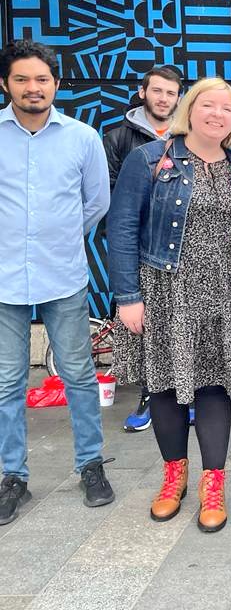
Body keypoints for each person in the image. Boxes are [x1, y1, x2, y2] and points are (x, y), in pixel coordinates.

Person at [108, 77, 231, 532]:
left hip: (220, 292)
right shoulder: (150, 159)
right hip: (163, 289)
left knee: (214, 387)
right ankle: (174, 474)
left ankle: (213, 484)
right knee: (165, 386)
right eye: (208, 105)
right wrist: (127, 298)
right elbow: (121, 229)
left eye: (227, 109)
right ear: (189, 109)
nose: (217, 114)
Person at [0, 39, 114, 526]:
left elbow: (97, 203)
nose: (33, 88)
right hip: (3, 279)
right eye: (22, 79)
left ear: (56, 84)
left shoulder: (82, 138)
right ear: (6, 83)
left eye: (42, 79)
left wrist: (61, 237)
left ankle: (90, 465)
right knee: (6, 382)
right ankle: (13, 476)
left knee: (78, 376)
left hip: (63, 275)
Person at [103, 65, 184, 433]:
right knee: (146, 326)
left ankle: (188, 394)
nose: (163, 98)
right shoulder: (119, 138)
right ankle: (151, 395)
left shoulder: (191, 134)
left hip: (183, 246)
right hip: (140, 247)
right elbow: (114, 195)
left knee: (184, 323)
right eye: (157, 91)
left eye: (170, 92)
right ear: (142, 92)